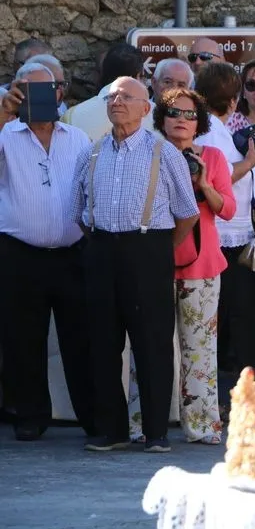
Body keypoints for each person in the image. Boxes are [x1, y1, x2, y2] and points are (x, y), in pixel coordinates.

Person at [69, 77, 199, 453]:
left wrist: (157, 249)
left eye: (127, 97)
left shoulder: (164, 153)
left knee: (152, 342)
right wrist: (104, 242)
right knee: (102, 342)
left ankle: (156, 432)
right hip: (102, 250)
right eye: (112, 97)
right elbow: (78, 211)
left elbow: (187, 213)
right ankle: (111, 430)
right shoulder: (92, 153)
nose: (117, 102)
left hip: (148, 251)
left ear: (145, 108)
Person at [0, 64, 94, 441]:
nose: (38, 95)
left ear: (60, 92)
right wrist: (5, 113)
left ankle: (92, 416)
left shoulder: (78, 137)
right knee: (23, 339)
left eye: (47, 87)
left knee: (81, 338)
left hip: (72, 254)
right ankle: (30, 416)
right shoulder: (6, 134)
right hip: (20, 254)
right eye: (27, 87)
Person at [154, 88, 235, 444]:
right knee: (150, 347)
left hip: (201, 265)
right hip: (156, 263)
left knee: (200, 349)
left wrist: (203, 184)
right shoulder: (150, 155)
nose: (182, 120)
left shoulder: (213, 157)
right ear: (161, 118)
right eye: (174, 112)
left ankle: (202, 426)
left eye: (190, 114)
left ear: (199, 122)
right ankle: (145, 423)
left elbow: (228, 209)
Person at [195, 62, 255, 390]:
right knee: (236, 318)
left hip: (231, 235)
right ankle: (239, 389)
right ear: (233, 100)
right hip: (224, 239)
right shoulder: (211, 131)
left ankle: (238, 387)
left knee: (236, 317)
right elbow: (219, 179)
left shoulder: (213, 128)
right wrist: (251, 162)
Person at [62, 43, 152, 142]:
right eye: (143, 77)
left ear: (103, 72)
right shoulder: (155, 113)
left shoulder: (72, 116)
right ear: (138, 75)